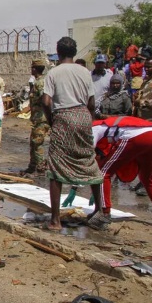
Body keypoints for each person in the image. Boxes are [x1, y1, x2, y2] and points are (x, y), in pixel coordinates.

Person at [42, 37, 102, 230]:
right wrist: (88, 119)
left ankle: (55, 220)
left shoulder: (54, 73)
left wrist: (52, 120)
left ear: (58, 53)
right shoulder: (85, 72)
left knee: (56, 167)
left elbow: (46, 101)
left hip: (63, 116)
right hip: (83, 115)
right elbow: (92, 102)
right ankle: (99, 211)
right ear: (74, 53)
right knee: (88, 159)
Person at [85, 116, 152, 230]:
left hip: (135, 135)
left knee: (103, 173)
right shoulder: (109, 125)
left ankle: (104, 215)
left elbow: (87, 158)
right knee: (147, 178)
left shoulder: (93, 128)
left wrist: (75, 187)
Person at [23, 59, 50, 175]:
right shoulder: (38, 81)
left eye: (32, 68)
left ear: (34, 69)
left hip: (41, 118)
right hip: (37, 118)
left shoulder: (41, 83)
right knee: (33, 142)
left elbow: (45, 100)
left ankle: (41, 168)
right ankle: (32, 165)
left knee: (37, 143)